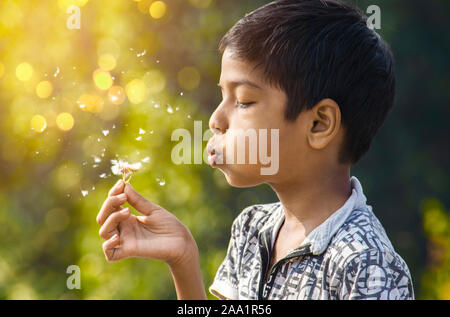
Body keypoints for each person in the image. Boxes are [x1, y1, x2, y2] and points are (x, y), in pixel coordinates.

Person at [96, 0, 414, 300]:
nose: (216, 120)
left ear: (319, 124)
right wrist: (183, 257)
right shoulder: (252, 229)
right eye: (223, 96)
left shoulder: (365, 262)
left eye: (244, 101)